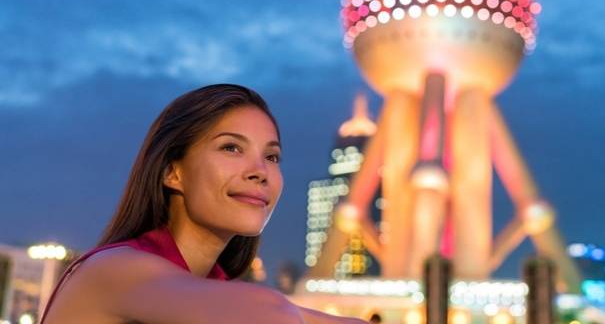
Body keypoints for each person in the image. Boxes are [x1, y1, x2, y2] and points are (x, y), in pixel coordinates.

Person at [41, 84, 365, 324]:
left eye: (271, 156)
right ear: (173, 172)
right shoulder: (114, 269)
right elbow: (274, 315)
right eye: (231, 148)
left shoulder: (210, 289)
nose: (260, 172)